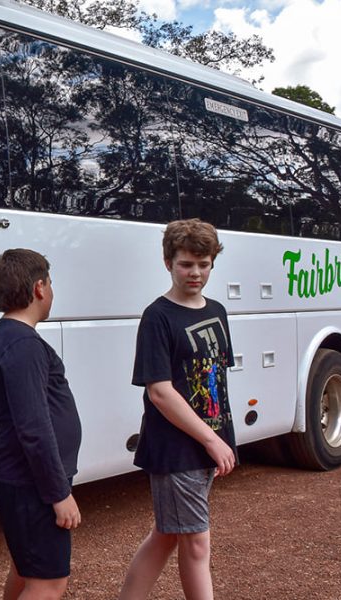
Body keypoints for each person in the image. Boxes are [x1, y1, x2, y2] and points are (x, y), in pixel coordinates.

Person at [118, 219, 237, 600]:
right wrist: (211, 440)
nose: (196, 273)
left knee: (168, 535)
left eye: (203, 264)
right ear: (168, 262)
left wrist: (219, 439)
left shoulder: (217, 311)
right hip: (175, 448)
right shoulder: (158, 317)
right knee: (197, 543)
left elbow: (215, 379)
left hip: (205, 447)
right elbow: (160, 392)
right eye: (186, 264)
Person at [0, 249, 82, 600]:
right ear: (39, 288)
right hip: (30, 481)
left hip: (19, 475)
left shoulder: (6, 337)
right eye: (50, 283)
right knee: (49, 582)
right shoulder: (23, 344)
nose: (52, 291)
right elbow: (34, 427)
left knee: (26, 571)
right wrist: (58, 493)